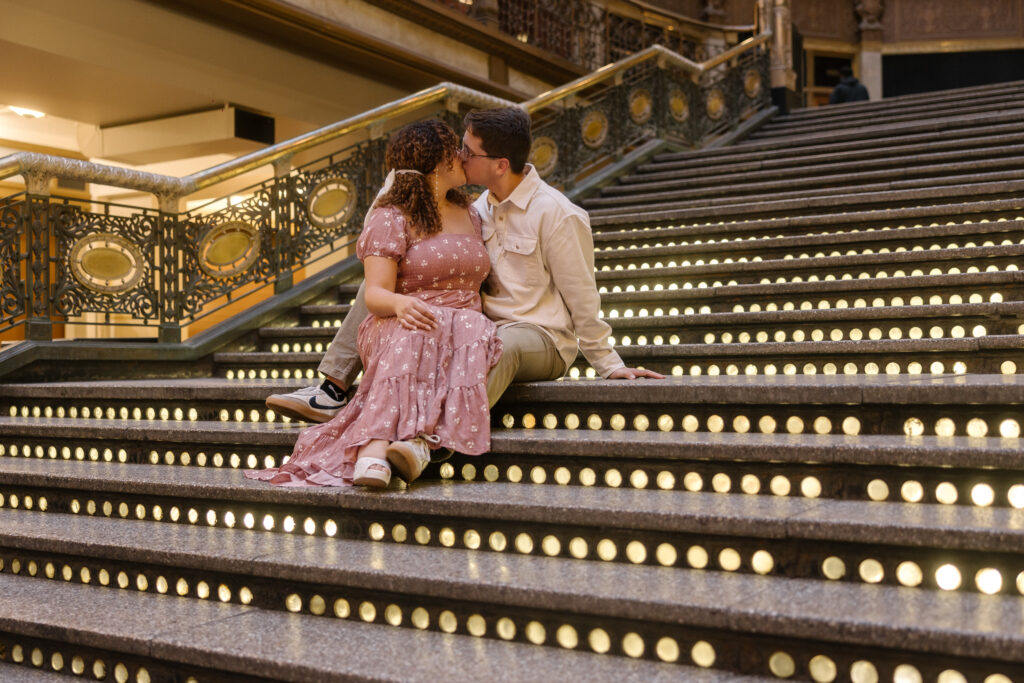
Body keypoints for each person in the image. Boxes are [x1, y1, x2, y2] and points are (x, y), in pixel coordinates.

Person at [266, 107, 663, 472]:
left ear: (500, 164)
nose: (458, 156)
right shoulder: (476, 208)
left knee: (493, 346)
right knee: (386, 281)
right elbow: (405, 190)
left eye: (468, 151)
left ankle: (425, 441)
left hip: (540, 336)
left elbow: (582, 295)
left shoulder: (558, 214)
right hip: (471, 322)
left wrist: (609, 364)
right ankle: (334, 385)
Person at [247, 119, 502, 488]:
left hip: (462, 322)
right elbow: (375, 293)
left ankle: (412, 443)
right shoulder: (391, 216)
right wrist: (400, 305)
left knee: (466, 331)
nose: (463, 157)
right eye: (455, 151)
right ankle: (372, 449)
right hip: (402, 317)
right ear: (439, 161)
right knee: (411, 332)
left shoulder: (474, 214)